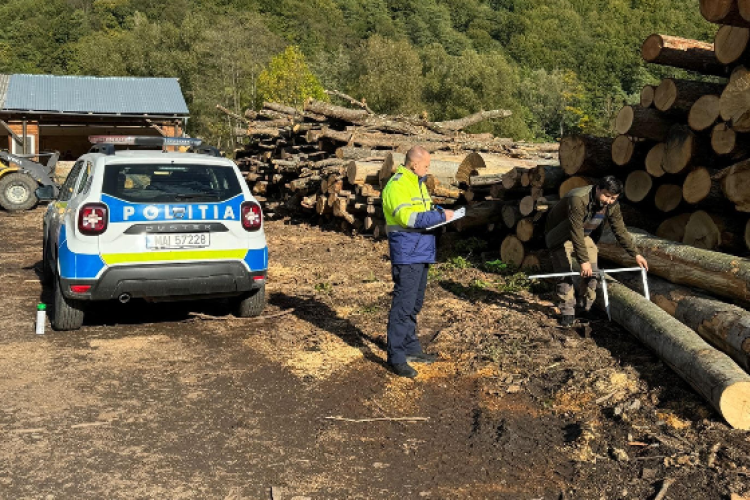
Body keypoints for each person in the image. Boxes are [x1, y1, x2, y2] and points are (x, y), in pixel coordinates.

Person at [381, 146, 454, 378]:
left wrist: (439, 211)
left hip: (421, 250)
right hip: (407, 251)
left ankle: (411, 348)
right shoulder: (398, 184)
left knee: (414, 304)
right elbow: (408, 218)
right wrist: (440, 216)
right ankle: (396, 356)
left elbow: (424, 209)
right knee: (403, 306)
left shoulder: (417, 183)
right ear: (414, 164)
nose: (428, 168)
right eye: (426, 165)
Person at [544, 176, 648, 327]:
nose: (608, 201)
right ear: (598, 188)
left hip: (584, 236)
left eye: (613, 198)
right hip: (560, 236)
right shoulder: (578, 198)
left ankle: (584, 307)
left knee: (593, 274)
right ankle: (567, 312)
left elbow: (620, 230)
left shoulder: (612, 205)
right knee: (565, 273)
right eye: (606, 196)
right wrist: (583, 261)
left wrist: (636, 254)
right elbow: (576, 231)